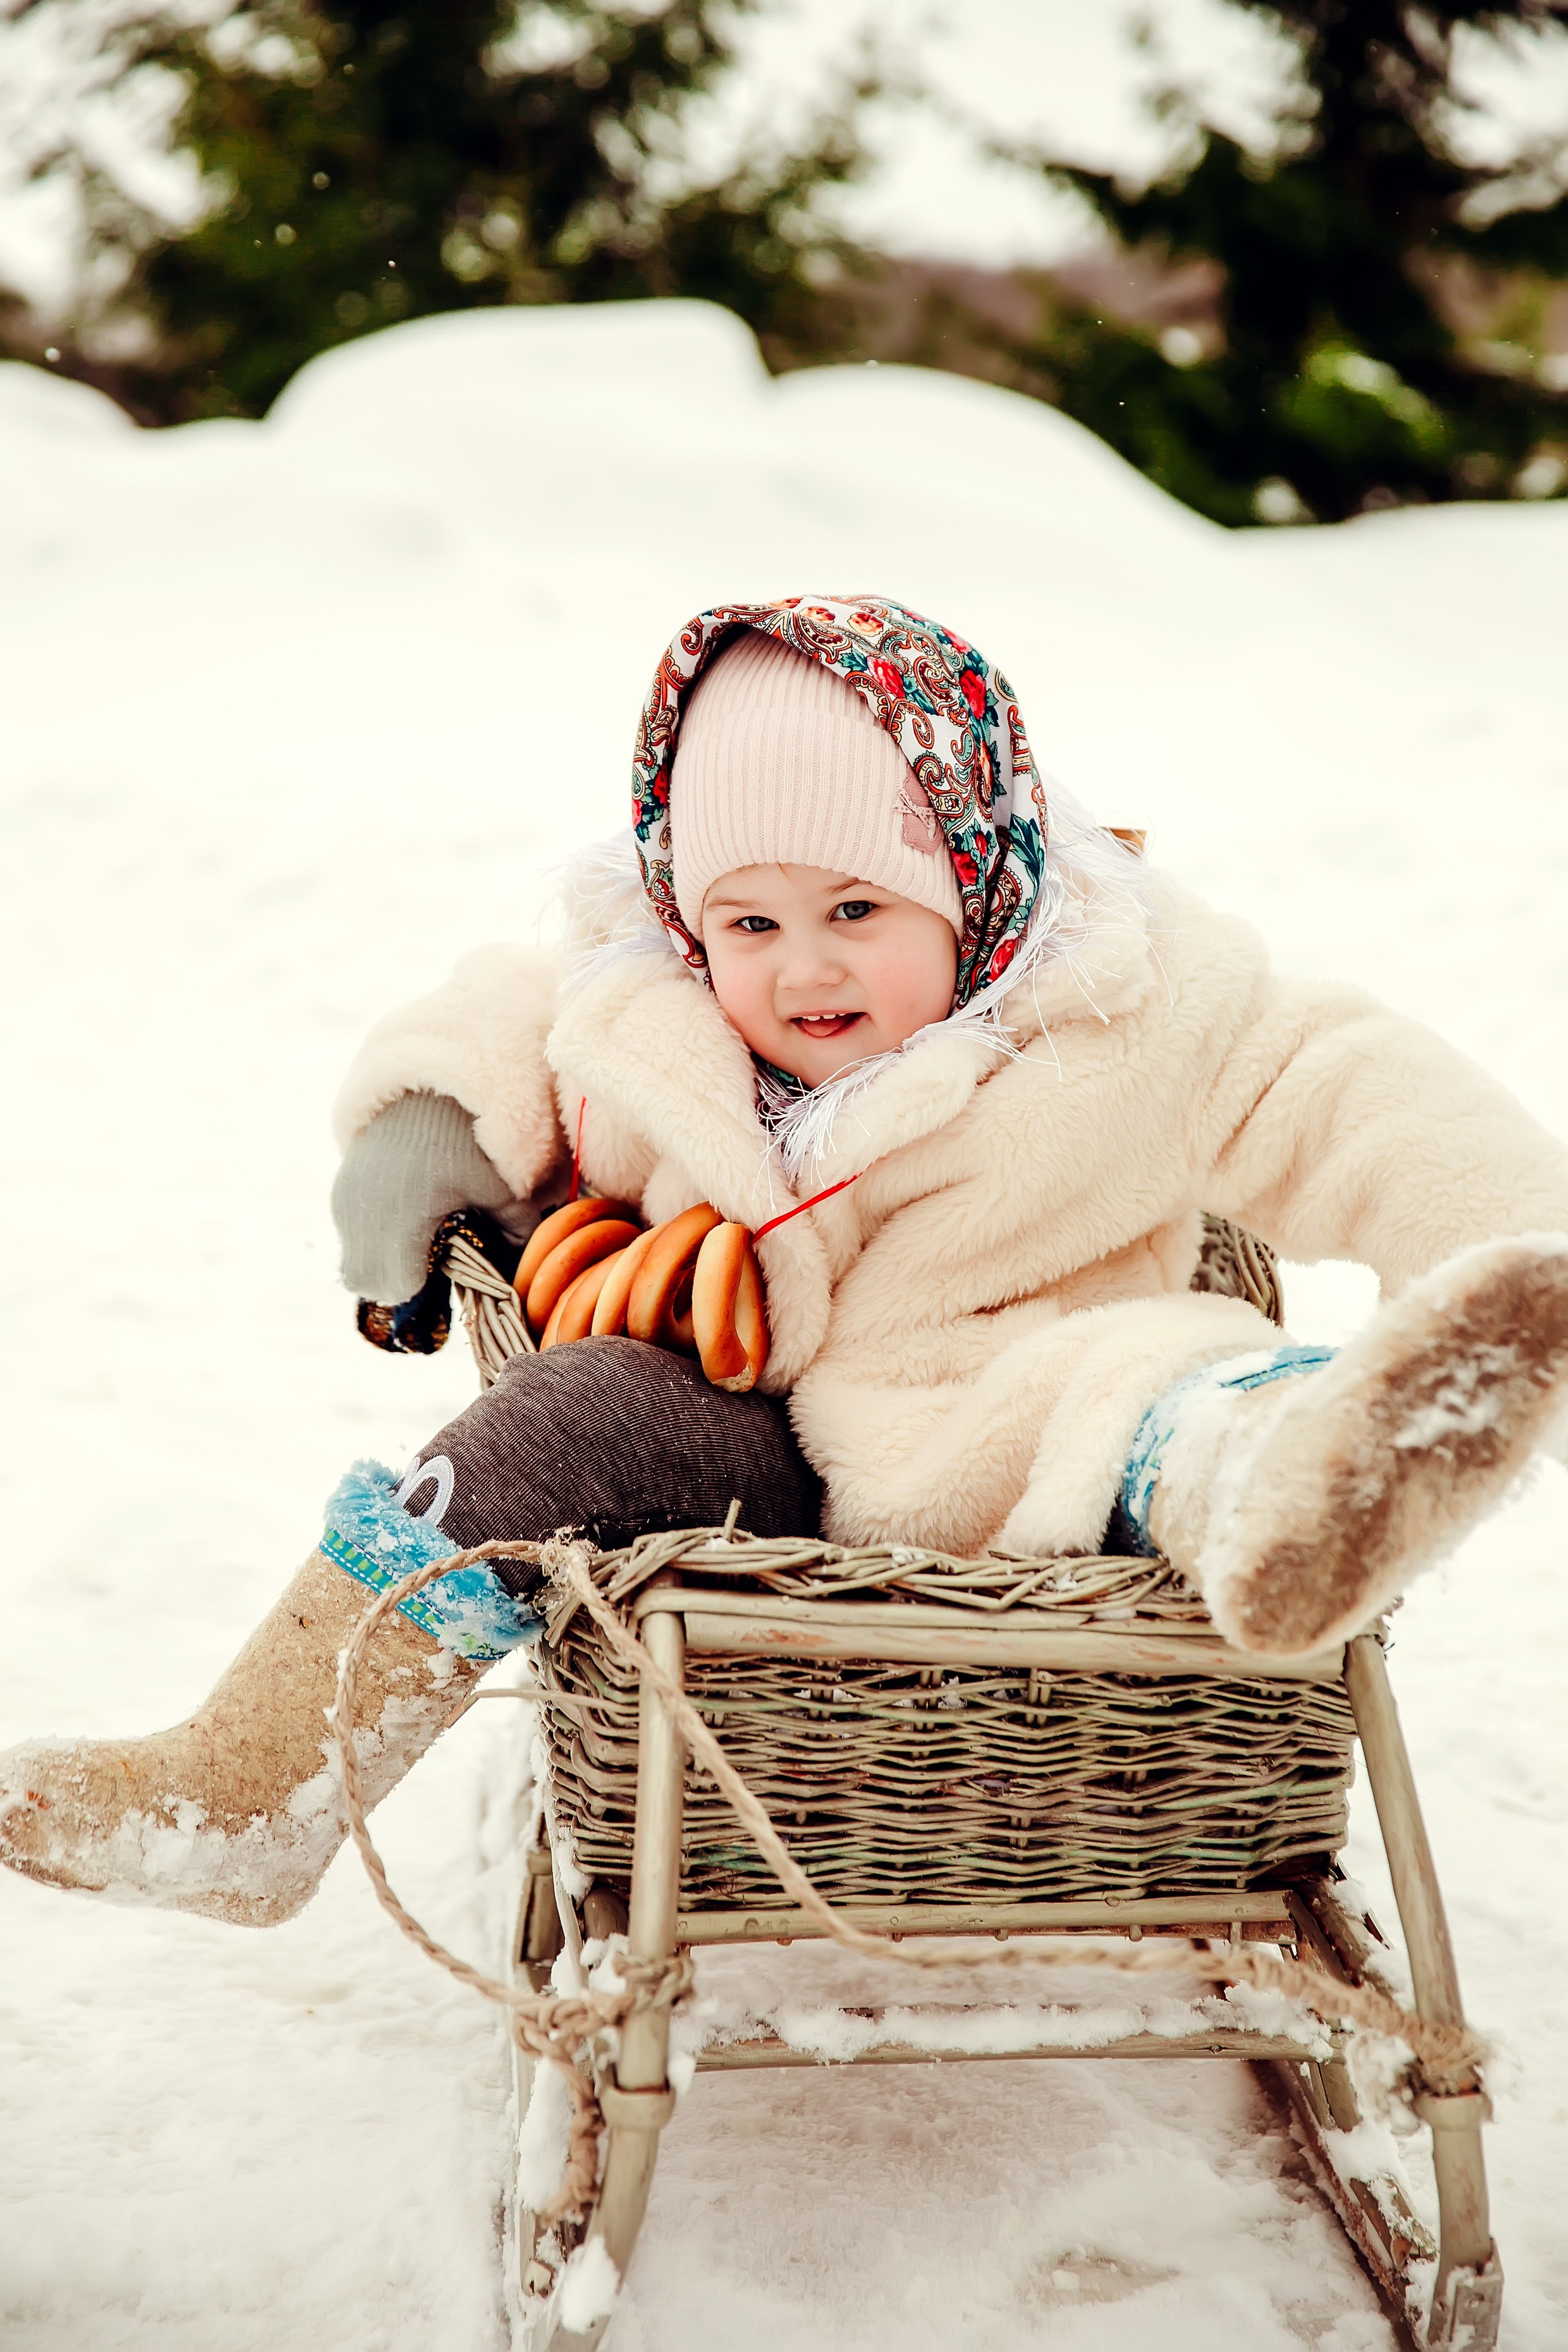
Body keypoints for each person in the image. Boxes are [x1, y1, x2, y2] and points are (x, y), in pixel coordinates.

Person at [4, 594, 1567, 1929]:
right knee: (566, 1412)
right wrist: (423, 1127)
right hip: (751, 1439)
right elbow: (505, 1014)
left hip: (1029, 1421)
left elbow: (1359, 1100)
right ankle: (252, 1792)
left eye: (855, 908)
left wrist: (1514, 1250)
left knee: (1170, 1388)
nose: (799, 966)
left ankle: (1309, 1483)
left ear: (975, 876)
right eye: (743, 921)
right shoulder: (650, 1012)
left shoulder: (1131, 1012)